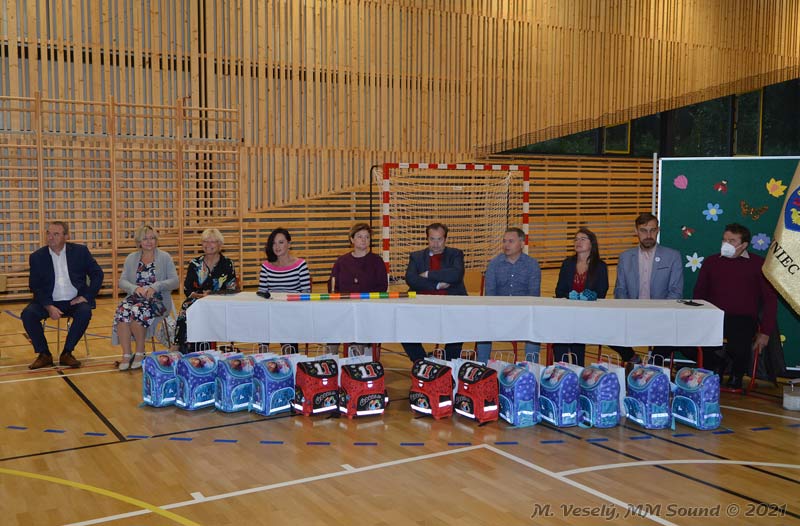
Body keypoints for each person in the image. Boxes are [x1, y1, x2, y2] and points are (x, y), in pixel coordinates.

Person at [693, 223, 777, 389]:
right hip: (714, 315)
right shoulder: (711, 262)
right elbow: (699, 294)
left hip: (743, 318)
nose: (726, 244)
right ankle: (717, 365)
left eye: (732, 241)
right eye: (724, 240)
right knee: (690, 340)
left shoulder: (758, 264)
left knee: (739, 344)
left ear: (744, 245)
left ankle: (736, 374)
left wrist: (765, 332)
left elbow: (770, 300)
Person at [22, 221, 104, 370]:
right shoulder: (37, 257)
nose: (50, 237)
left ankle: (67, 352)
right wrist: (48, 306)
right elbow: (35, 286)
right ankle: (44, 354)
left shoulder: (80, 252)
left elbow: (97, 274)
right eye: (48, 233)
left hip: (74, 301)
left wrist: (86, 296)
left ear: (66, 236)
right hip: (48, 301)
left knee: (85, 311)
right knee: (28, 314)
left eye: (56, 234)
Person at [612, 212, 683, 363]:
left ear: (658, 230)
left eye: (653, 230)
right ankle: (632, 358)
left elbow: (675, 292)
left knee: (674, 335)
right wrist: (628, 311)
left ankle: (653, 365)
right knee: (605, 331)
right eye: (643, 230)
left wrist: (659, 313)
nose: (648, 235)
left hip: (661, 316)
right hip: (632, 314)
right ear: (636, 231)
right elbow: (620, 290)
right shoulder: (625, 257)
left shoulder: (673, 256)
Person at [112, 225, 179, 370]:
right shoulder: (131, 258)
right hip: (135, 297)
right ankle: (126, 354)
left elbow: (175, 281)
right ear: (139, 242)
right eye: (145, 239)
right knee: (122, 311)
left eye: (152, 238)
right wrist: (135, 288)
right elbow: (122, 281)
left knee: (137, 311)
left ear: (156, 240)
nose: (149, 241)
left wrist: (156, 286)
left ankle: (140, 352)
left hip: (157, 301)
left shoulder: (165, 257)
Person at [401, 223, 467, 361]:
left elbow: (456, 275)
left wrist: (428, 274)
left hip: (450, 306)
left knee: (459, 329)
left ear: (445, 239)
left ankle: (449, 364)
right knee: (403, 329)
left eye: (439, 239)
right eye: (432, 239)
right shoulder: (416, 256)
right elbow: (411, 279)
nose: (436, 244)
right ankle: (422, 362)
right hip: (422, 306)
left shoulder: (456, 254)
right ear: (427, 239)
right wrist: (437, 285)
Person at [475, 228, 541, 363]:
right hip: (498, 312)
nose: (506, 245)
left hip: (524, 314)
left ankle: (531, 367)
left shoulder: (532, 265)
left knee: (535, 330)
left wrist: (521, 313)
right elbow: (490, 294)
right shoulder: (494, 264)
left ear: (522, 244)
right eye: (504, 241)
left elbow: (534, 295)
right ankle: (483, 366)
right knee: (482, 327)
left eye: (511, 241)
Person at [173, 228, 238, 352]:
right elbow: (187, 288)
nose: (208, 245)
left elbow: (232, 289)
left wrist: (212, 294)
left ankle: (193, 349)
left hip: (219, 303)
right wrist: (198, 296)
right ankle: (180, 346)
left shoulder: (227, 264)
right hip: (198, 301)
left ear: (220, 244)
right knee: (187, 308)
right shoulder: (195, 263)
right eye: (205, 241)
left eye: (212, 241)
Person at [552, 227, 609, 366]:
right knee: (559, 343)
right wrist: (571, 297)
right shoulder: (567, 264)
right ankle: (562, 372)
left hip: (588, 314)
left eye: (583, 239)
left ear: (591, 243)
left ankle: (578, 371)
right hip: (567, 312)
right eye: (576, 239)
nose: (578, 242)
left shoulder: (600, 266)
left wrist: (589, 298)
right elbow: (559, 290)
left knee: (578, 345)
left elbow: (601, 292)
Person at [329, 223, 388, 355]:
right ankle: (330, 360)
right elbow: (333, 286)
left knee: (359, 325)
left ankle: (358, 359)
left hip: (368, 308)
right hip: (345, 307)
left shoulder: (377, 261)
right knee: (331, 327)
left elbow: (382, 287)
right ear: (352, 239)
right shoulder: (341, 261)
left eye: (367, 237)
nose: (364, 240)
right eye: (360, 236)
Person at [258, 227, 311, 353]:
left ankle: (290, 359)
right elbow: (261, 294)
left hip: (292, 314)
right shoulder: (266, 266)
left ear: (289, 244)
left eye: (281, 242)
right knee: (260, 328)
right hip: (271, 313)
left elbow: (306, 293)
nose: (277, 247)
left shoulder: (300, 265)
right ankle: (263, 358)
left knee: (289, 342)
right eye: (274, 243)